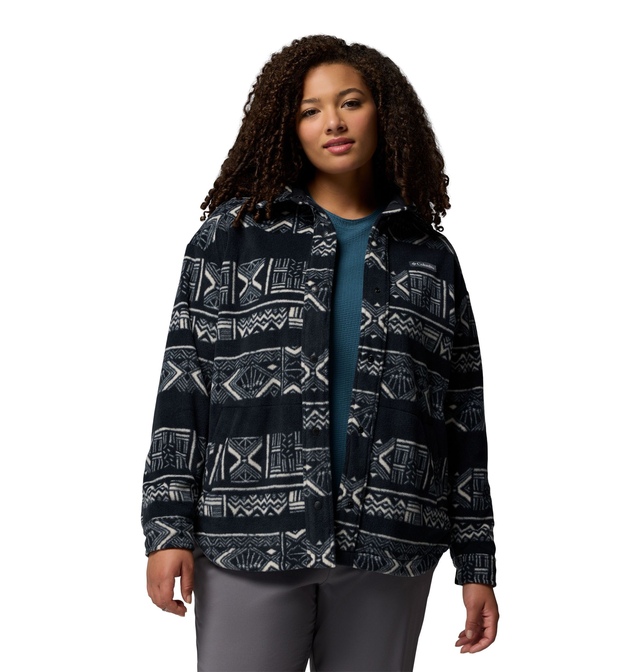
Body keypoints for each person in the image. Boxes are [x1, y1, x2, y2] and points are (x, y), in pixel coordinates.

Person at [142, 35, 498, 672]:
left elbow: (462, 417)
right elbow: (184, 385)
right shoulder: (230, 239)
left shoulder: (430, 256)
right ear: (288, 126)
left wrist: (476, 563)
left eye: (350, 102)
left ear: (384, 113)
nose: (333, 121)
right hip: (249, 542)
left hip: (390, 545)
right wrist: (167, 527)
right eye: (310, 110)